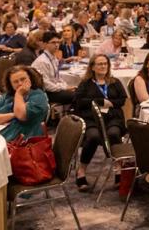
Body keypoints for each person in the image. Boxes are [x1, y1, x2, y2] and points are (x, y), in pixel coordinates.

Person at [73, 54, 127, 190]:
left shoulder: (115, 82)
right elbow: (78, 102)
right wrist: (101, 101)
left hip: (113, 117)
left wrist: (110, 104)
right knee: (93, 136)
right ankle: (82, 170)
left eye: (105, 64)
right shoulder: (86, 83)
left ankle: (118, 169)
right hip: (91, 118)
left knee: (114, 134)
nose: (103, 66)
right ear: (92, 67)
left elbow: (122, 100)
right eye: (99, 64)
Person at [0, 65, 49, 141]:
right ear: (11, 84)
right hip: (0, 135)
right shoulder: (7, 96)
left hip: (22, 142)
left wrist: (19, 94)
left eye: (23, 79)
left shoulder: (38, 96)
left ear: (30, 79)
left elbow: (21, 115)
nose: (20, 83)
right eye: (15, 82)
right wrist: (13, 114)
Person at [32, 31, 75, 105]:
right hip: (44, 93)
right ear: (45, 44)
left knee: (78, 92)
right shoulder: (42, 61)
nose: (57, 45)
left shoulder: (54, 58)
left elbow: (57, 77)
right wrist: (64, 88)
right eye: (53, 42)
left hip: (53, 89)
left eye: (58, 42)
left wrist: (65, 86)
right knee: (75, 96)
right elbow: (45, 85)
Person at [0, 21, 27, 91]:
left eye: (11, 27)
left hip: (10, 58)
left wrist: (11, 49)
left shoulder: (19, 37)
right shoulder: (2, 37)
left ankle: (4, 87)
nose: (9, 29)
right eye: (7, 27)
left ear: (15, 28)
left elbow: (24, 49)